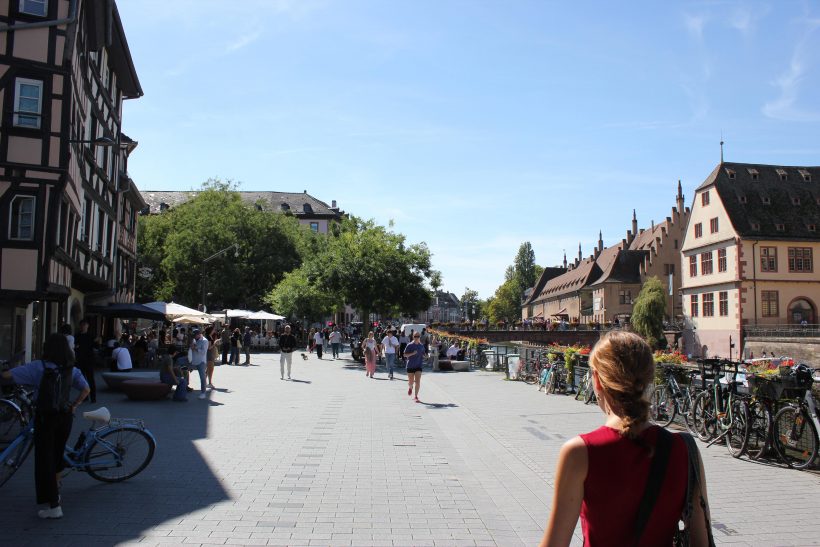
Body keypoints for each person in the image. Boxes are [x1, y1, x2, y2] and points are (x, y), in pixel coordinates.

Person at [539, 331, 712, 547]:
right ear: (649, 378)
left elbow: (555, 543)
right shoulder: (685, 449)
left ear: (597, 381)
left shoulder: (580, 452)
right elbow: (701, 541)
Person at [1, 333, 90, 519]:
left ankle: (53, 505)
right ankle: (56, 493)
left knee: (45, 461)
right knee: (57, 456)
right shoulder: (71, 369)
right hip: (65, 417)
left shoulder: (38, 367)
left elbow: (7, 376)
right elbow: (86, 389)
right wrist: (74, 405)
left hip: (45, 418)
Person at [73, 319, 97, 403]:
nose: (83, 327)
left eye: (85, 325)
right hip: (80, 360)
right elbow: (74, 347)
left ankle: (93, 397)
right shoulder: (76, 336)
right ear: (80, 326)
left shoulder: (91, 336)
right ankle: (85, 396)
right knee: (82, 380)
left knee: (91, 379)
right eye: (82, 325)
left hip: (89, 360)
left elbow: (96, 346)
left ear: (87, 326)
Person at [403, 332, 425, 402]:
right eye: (415, 336)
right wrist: (412, 353)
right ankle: (410, 387)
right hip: (410, 366)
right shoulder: (409, 345)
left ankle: (416, 396)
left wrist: (425, 356)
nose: (417, 338)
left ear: (419, 337)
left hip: (419, 366)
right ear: (413, 337)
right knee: (411, 382)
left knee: (418, 382)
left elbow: (423, 354)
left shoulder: (421, 346)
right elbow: (404, 355)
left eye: (418, 336)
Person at [189, 328, 209, 399]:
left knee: (202, 378)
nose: (194, 337)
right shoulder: (195, 340)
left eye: (195, 335)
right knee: (184, 370)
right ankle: (185, 387)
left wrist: (195, 348)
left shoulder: (205, 341)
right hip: (193, 361)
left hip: (201, 362)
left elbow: (204, 352)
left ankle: (203, 393)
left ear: (199, 334)